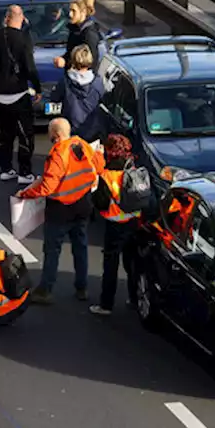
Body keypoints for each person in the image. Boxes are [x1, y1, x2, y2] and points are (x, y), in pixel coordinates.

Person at [17, 118, 103, 304]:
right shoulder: (81, 144)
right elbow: (99, 166)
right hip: (83, 205)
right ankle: (82, 287)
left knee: (52, 250)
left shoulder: (58, 154)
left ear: (55, 135)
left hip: (60, 211)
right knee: (80, 247)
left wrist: (26, 194)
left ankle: (45, 290)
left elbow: (47, 187)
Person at [88, 135, 144, 316]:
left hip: (115, 225)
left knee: (111, 266)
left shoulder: (107, 176)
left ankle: (106, 304)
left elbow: (100, 203)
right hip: (135, 223)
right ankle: (135, 299)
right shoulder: (134, 170)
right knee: (133, 263)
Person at [0, 5, 41, 184]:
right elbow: (30, 68)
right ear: (22, 18)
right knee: (25, 134)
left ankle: (5, 168)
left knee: (5, 134)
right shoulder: (24, 39)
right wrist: (37, 88)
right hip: (19, 93)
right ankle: (25, 173)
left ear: (6, 18)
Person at [48, 44, 105, 143]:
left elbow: (54, 98)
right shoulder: (98, 82)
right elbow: (104, 100)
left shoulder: (65, 82)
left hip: (70, 132)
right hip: (93, 132)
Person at [54, 0, 102, 71]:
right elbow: (71, 52)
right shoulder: (74, 29)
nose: (70, 14)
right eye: (70, 10)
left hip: (81, 78)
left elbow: (90, 62)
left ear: (83, 12)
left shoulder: (89, 34)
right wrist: (63, 59)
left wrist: (66, 62)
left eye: (74, 11)